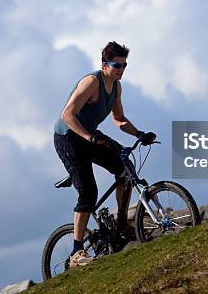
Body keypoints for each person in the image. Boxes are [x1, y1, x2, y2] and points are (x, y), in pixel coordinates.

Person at [53, 41, 156, 268]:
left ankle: (121, 225)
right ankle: (77, 252)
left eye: (124, 65)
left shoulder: (116, 87)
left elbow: (118, 120)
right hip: (68, 137)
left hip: (89, 135)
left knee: (125, 167)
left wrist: (140, 134)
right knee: (89, 192)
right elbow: (67, 115)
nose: (120, 69)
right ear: (104, 65)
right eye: (116, 65)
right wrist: (89, 138)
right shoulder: (91, 82)